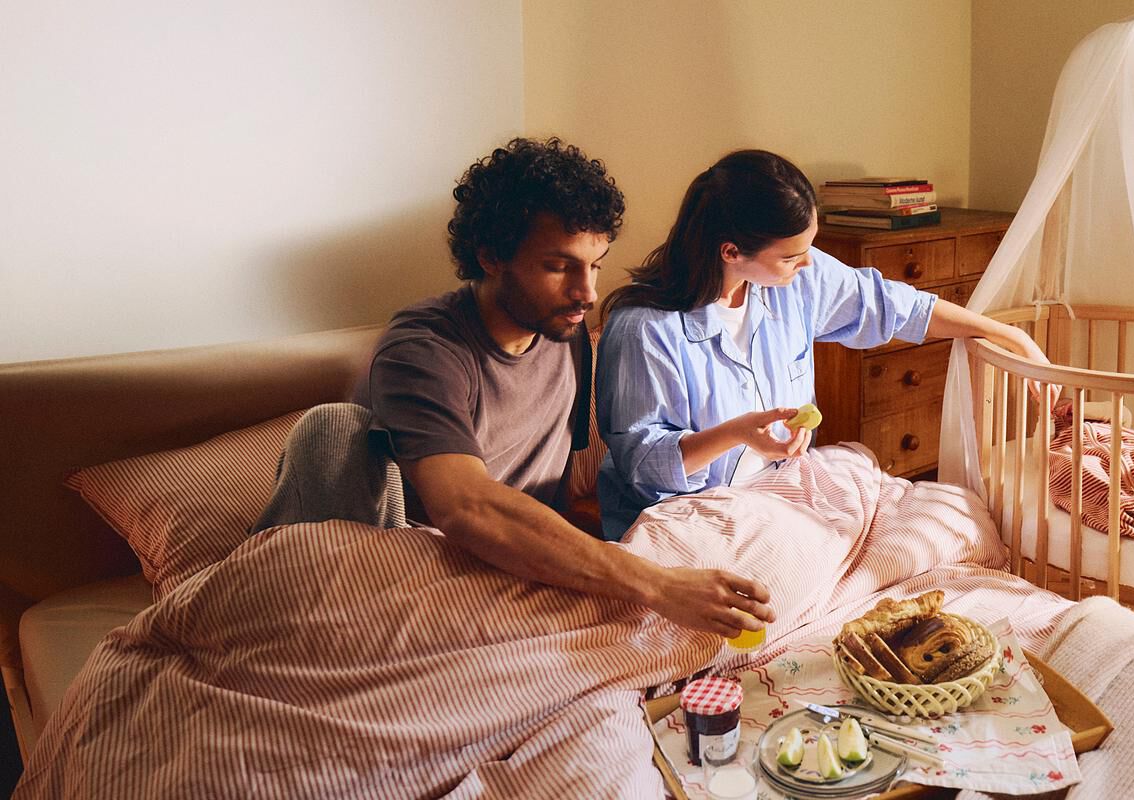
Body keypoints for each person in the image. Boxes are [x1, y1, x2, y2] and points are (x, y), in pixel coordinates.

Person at [253, 137, 774, 640]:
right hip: (406, 582)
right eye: (558, 266)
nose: (586, 293)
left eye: (595, 265)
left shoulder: (566, 337)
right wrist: (652, 583)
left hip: (511, 581)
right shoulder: (423, 351)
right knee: (329, 428)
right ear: (490, 256)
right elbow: (467, 506)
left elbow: (556, 498)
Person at [595, 150, 1051, 539]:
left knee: (951, 523)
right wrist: (735, 434)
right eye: (791, 255)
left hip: (781, 491)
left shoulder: (793, 282)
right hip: (692, 517)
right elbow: (643, 467)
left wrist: (1003, 333)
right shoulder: (644, 331)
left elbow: (892, 305)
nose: (808, 263)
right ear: (731, 252)